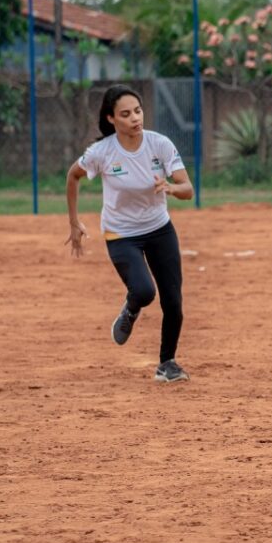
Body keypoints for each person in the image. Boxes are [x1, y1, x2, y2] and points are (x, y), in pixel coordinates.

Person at [65, 84, 194, 382]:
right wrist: (74, 222)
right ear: (111, 119)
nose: (135, 118)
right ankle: (131, 308)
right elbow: (73, 176)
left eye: (138, 111)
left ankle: (167, 364)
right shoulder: (102, 152)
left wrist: (172, 188)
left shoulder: (159, 143)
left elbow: (188, 189)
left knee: (173, 301)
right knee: (145, 291)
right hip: (121, 233)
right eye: (125, 114)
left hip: (159, 228)